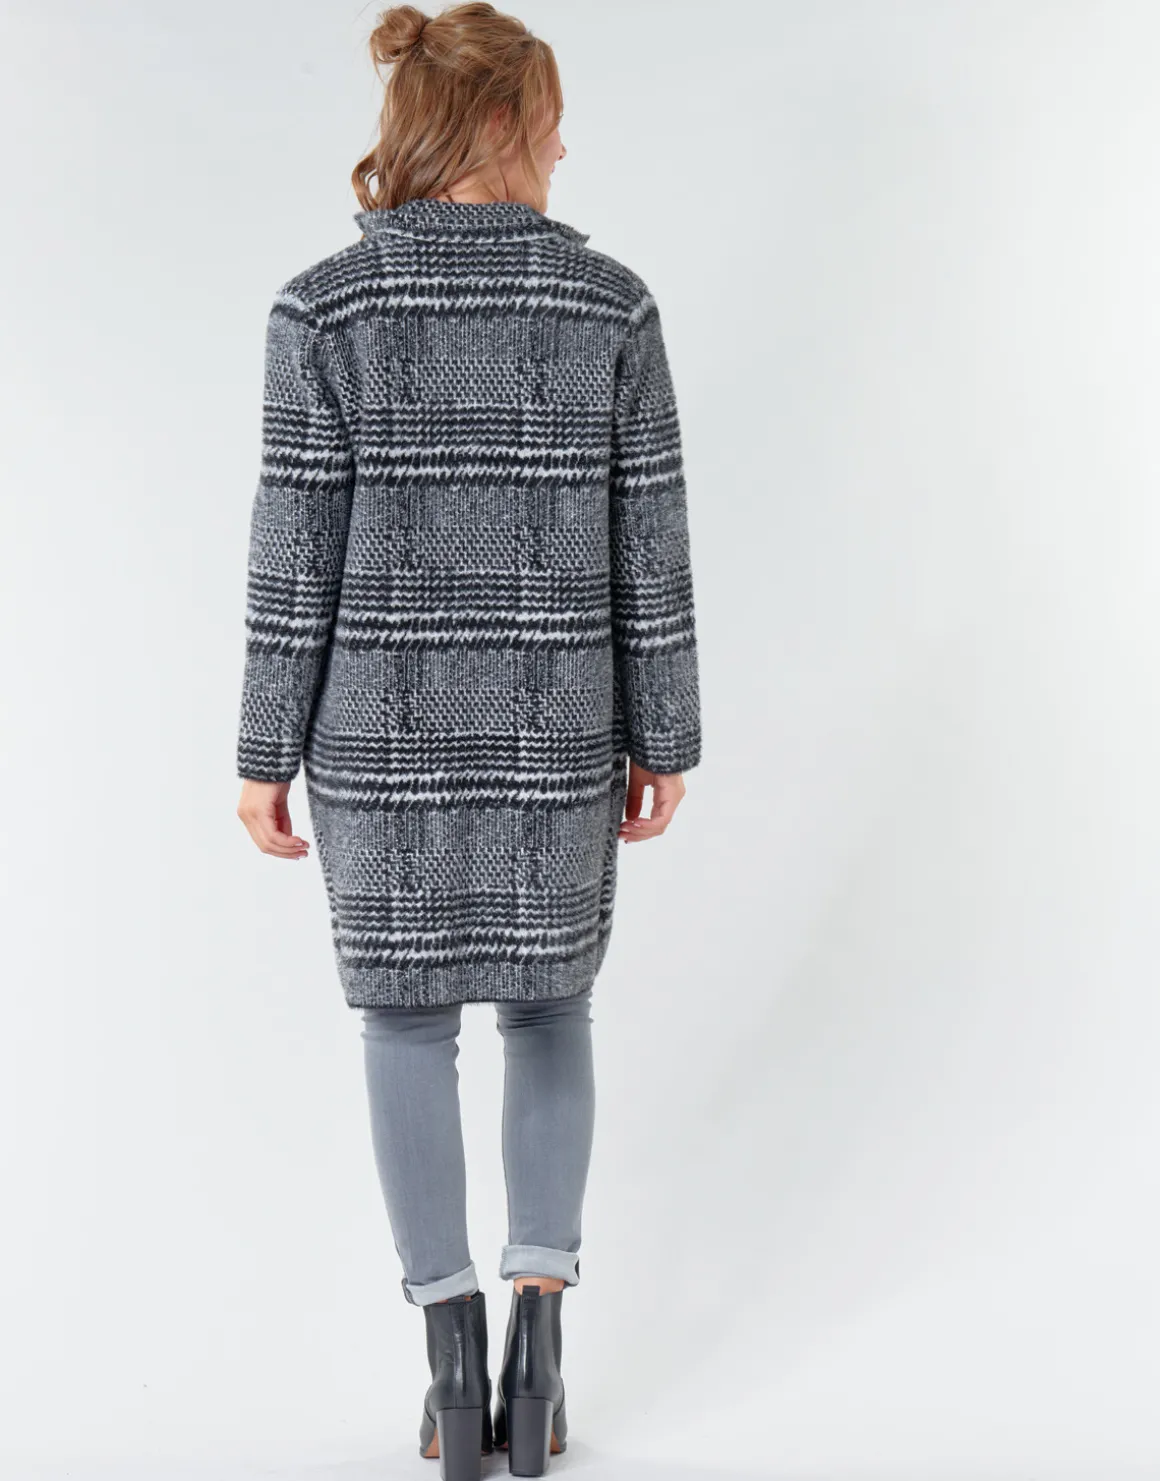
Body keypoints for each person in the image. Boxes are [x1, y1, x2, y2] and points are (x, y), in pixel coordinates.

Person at [234, 4, 702, 1476]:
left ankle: (450, 1369)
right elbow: (652, 542)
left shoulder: (322, 311)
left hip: (377, 737)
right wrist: (664, 732)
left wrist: (262, 751)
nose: (566, 146)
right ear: (498, 125)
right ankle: (539, 1353)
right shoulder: (610, 305)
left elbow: (293, 553)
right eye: (550, 120)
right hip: (558, 726)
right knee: (550, 1013)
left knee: (403, 1026)